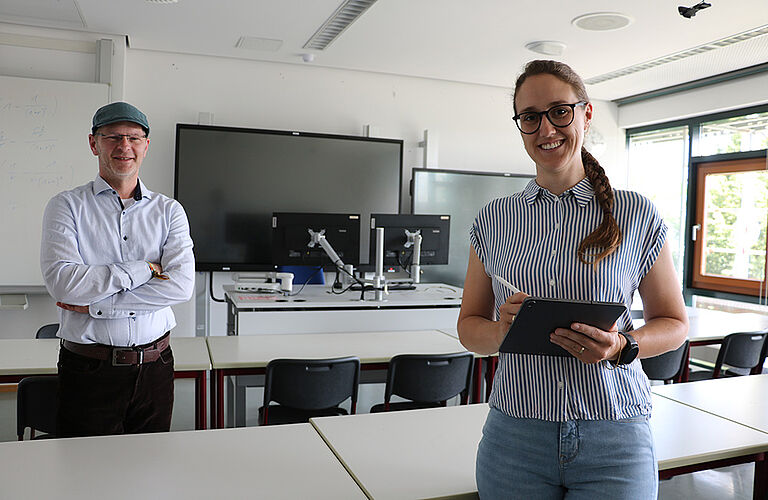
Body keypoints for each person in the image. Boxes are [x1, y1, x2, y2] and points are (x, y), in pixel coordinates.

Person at [457, 60, 688, 499]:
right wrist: (502, 333)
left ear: (586, 113)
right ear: (520, 127)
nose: (546, 129)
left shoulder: (635, 213)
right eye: (530, 117)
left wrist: (624, 346)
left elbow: (674, 323)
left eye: (559, 111)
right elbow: (470, 326)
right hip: (515, 437)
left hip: (615, 434)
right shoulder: (493, 219)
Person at [40, 102, 195, 438]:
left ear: (146, 146)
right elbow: (65, 285)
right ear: (94, 143)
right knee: (85, 475)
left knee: (149, 472)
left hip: (156, 366)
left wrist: (99, 305)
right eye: (112, 137)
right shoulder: (66, 206)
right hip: (89, 370)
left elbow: (180, 286)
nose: (125, 146)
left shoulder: (169, 211)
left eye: (134, 138)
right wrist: (146, 268)